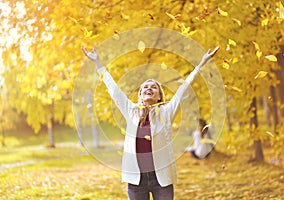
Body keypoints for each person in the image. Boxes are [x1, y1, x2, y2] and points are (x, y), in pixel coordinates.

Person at [82, 46, 219, 200]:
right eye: (145, 87)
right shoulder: (131, 111)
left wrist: (201, 63)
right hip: (136, 179)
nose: (149, 88)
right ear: (140, 95)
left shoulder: (166, 112)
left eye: (153, 87)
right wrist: (98, 64)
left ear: (159, 96)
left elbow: (184, 88)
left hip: (161, 179)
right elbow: (114, 90)